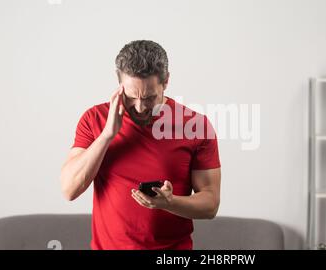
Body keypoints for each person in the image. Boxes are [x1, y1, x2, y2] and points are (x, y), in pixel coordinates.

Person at [60, 40, 221, 250]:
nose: (140, 107)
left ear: (166, 82)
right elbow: (69, 189)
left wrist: (169, 203)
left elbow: (210, 205)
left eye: (149, 98)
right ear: (120, 85)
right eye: (131, 97)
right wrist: (107, 134)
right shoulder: (95, 119)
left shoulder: (196, 126)